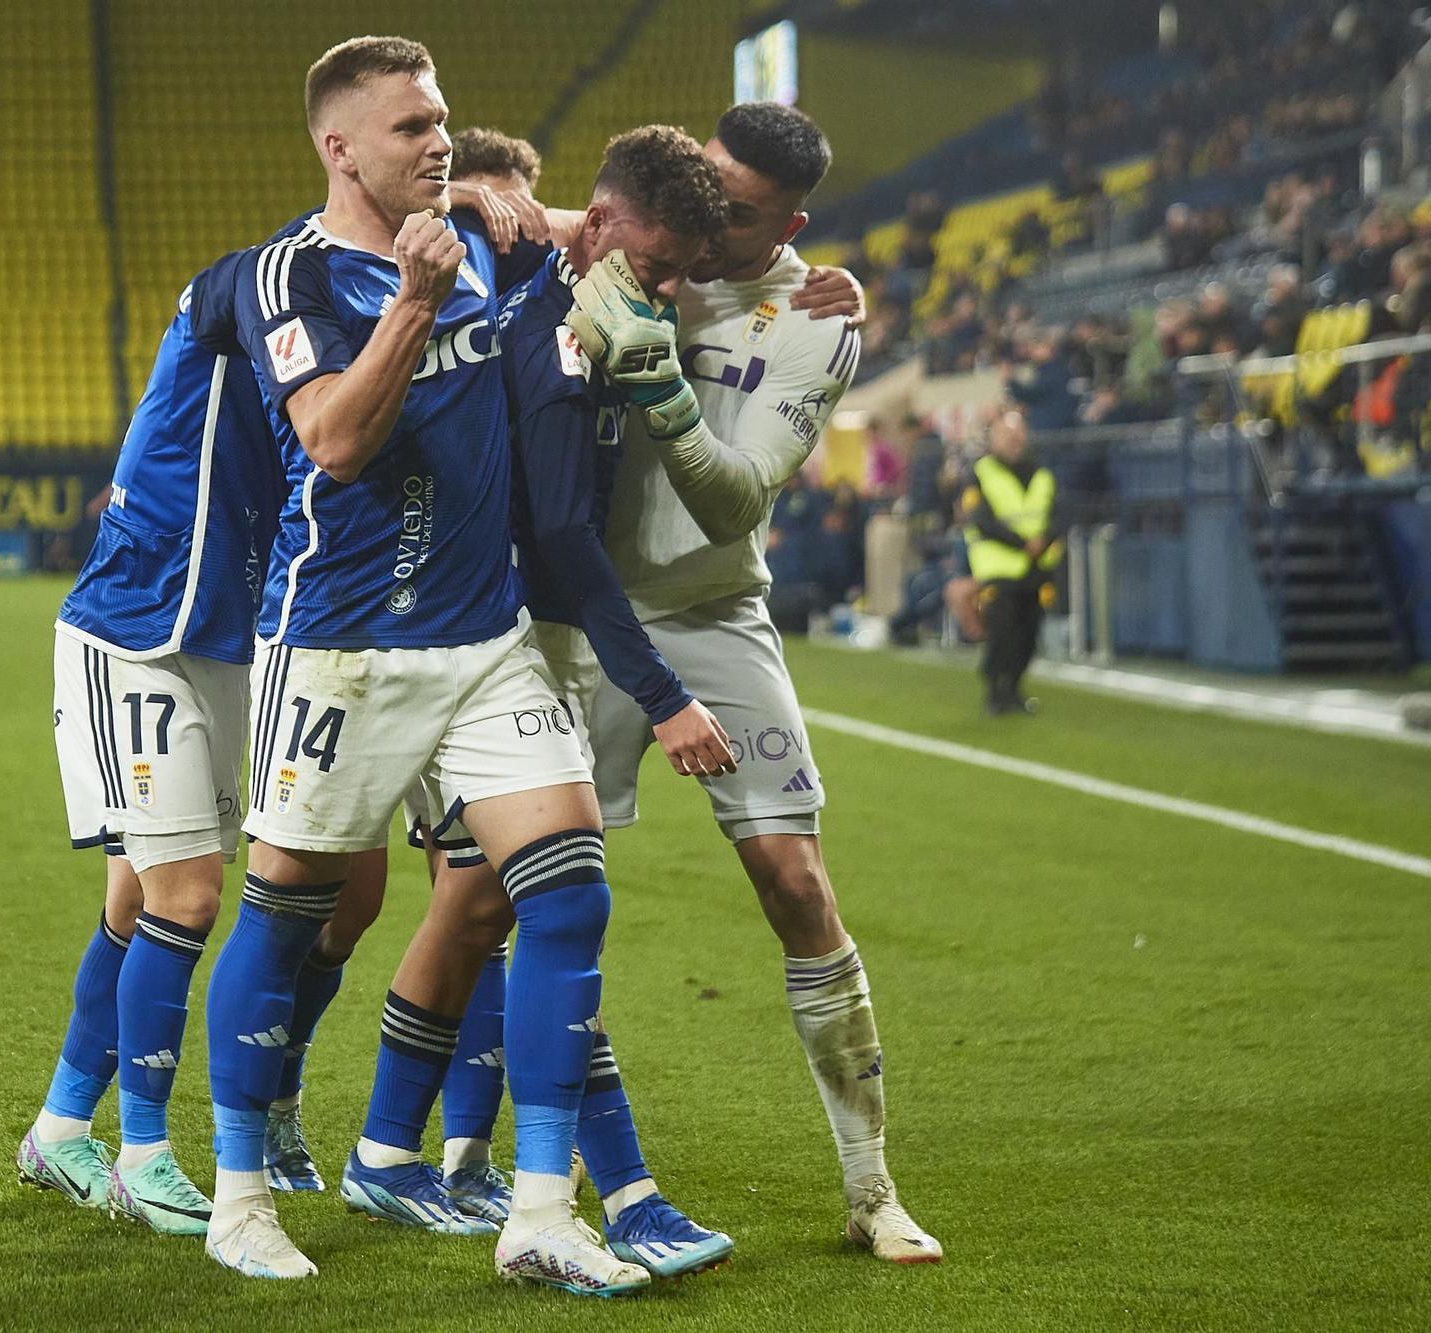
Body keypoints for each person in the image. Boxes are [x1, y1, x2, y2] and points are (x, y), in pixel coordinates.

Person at [209, 36, 644, 1292]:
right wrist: (411, 299)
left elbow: (615, 232)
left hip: (488, 642)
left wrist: (784, 273)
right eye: (407, 128)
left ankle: (543, 1213)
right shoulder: (285, 276)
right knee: (288, 911)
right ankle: (242, 1194)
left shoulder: (482, 231)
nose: (436, 141)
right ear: (337, 147)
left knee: (566, 894)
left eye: (441, 119)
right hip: (340, 648)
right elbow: (334, 442)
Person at [344, 123, 743, 1279]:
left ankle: (405, 1152)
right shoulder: (555, 334)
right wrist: (661, 694)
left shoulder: (572, 282)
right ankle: (610, 1193)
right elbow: (565, 534)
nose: (669, 292)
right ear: (612, 230)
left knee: (478, 914)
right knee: (535, 905)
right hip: (493, 644)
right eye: (660, 268)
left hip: (494, 637)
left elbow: (574, 227)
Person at [566, 99, 943, 1263]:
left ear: (789, 220)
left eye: (728, 211)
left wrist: (661, 392)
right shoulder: (639, 250)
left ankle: (872, 1189)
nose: (699, 224)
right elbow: (524, 204)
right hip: (574, 617)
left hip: (713, 615)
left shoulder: (816, 320)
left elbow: (736, 497)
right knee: (518, 895)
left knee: (795, 880)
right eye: (697, 195)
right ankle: (513, 1168)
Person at [26, 232, 391, 1235]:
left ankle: (60, 1126)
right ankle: (140, 1151)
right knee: (185, 894)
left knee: (137, 897)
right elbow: (238, 286)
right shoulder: (256, 282)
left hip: (232, 641)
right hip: (134, 630)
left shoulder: (367, 335)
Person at [964, 408, 1061, 715]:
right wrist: (1022, 543)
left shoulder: (1042, 474)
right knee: (1001, 632)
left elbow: (1059, 513)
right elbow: (982, 520)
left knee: (1029, 633)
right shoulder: (980, 472)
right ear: (993, 439)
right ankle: (996, 691)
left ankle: (1015, 688)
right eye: (1007, 435)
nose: (1014, 441)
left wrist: (1042, 541)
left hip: (1037, 567)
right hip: (999, 567)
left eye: (1018, 435)